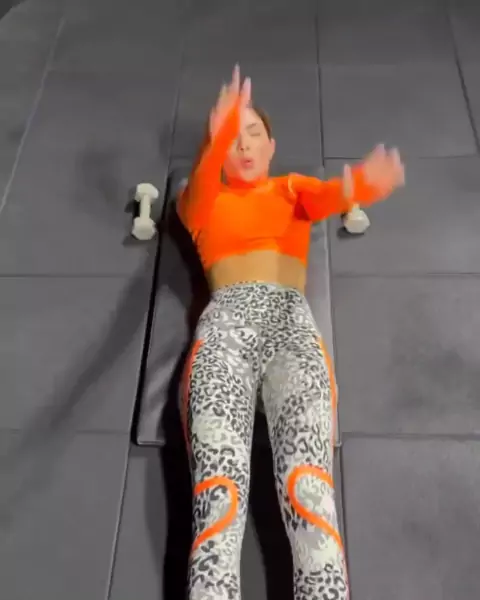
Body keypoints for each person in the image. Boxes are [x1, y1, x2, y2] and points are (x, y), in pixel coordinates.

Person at [176, 65, 405, 600]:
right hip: (225, 333)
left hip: (291, 332)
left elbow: (329, 197)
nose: (243, 144)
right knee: (218, 499)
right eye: (231, 137)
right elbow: (201, 182)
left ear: (272, 146)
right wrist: (215, 140)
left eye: (253, 132)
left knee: (310, 493)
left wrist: (360, 185)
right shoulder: (201, 200)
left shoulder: (292, 190)